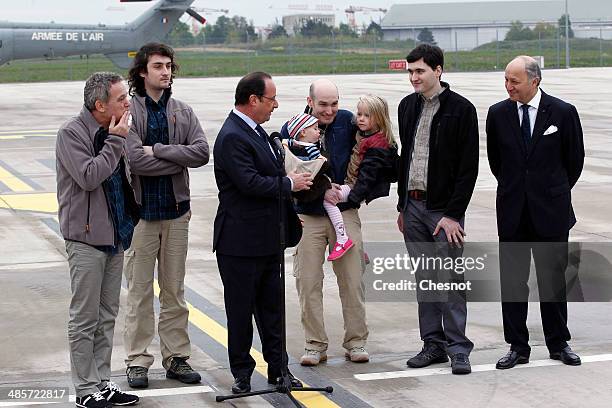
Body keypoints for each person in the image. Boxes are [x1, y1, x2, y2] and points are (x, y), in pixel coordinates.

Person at [213, 71, 312, 394]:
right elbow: (249, 183)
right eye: (271, 99)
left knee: (273, 312)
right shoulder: (232, 136)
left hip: (269, 240)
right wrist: (288, 184)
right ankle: (242, 373)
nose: (276, 105)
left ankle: (279, 369)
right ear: (253, 100)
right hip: (240, 243)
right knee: (241, 313)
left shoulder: (259, 134)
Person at [486, 55, 585, 369]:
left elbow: (574, 161)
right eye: (506, 79)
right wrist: (519, 189)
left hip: (551, 211)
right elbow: (496, 162)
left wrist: (550, 191)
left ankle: (558, 343)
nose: (508, 86)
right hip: (513, 210)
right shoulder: (497, 114)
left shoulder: (563, 113)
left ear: (535, 81)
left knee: (553, 279)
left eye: (514, 81)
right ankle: (517, 346)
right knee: (513, 282)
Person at [123, 43, 210, 388]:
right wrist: (177, 157)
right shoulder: (130, 111)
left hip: (176, 214)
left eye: (169, 66)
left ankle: (176, 358)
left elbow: (202, 152)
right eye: (158, 66)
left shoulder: (183, 111)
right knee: (139, 292)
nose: (165, 72)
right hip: (141, 216)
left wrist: (157, 150)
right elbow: (133, 158)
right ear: (143, 71)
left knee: (174, 291)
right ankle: (138, 361)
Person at [56, 72, 140, 408]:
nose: (128, 103)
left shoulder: (116, 128)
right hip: (86, 238)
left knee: (107, 315)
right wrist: (117, 141)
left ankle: (103, 383)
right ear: (99, 104)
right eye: (121, 99)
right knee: (85, 316)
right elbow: (89, 176)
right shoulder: (71, 134)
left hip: (116, 234)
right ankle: (85, 389)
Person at [396, 44, 479, 375]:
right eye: (411, 71)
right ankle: (433, 344)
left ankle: (458, 347)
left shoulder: (462, 109)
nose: (414, 77)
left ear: (438, 70)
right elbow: (406, 158)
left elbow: (467, 168)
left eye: (420, 71)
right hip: (413, 206)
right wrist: (403, 205)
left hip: (443, 210)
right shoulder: (406, 107)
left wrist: (453, 214)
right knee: (425, 279)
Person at [280, 79, 370, 366]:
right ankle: (315, 345)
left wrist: (358, 191)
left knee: (353, 279)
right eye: (323, 105)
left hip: (343, 211)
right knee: (307, 281)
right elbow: (290, 173)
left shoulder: (348, 122)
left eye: (334, 103)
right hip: (307, 215)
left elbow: (374, 147)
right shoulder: (293, 130)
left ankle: (356, 342)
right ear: (310, 102)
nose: (330, 111)